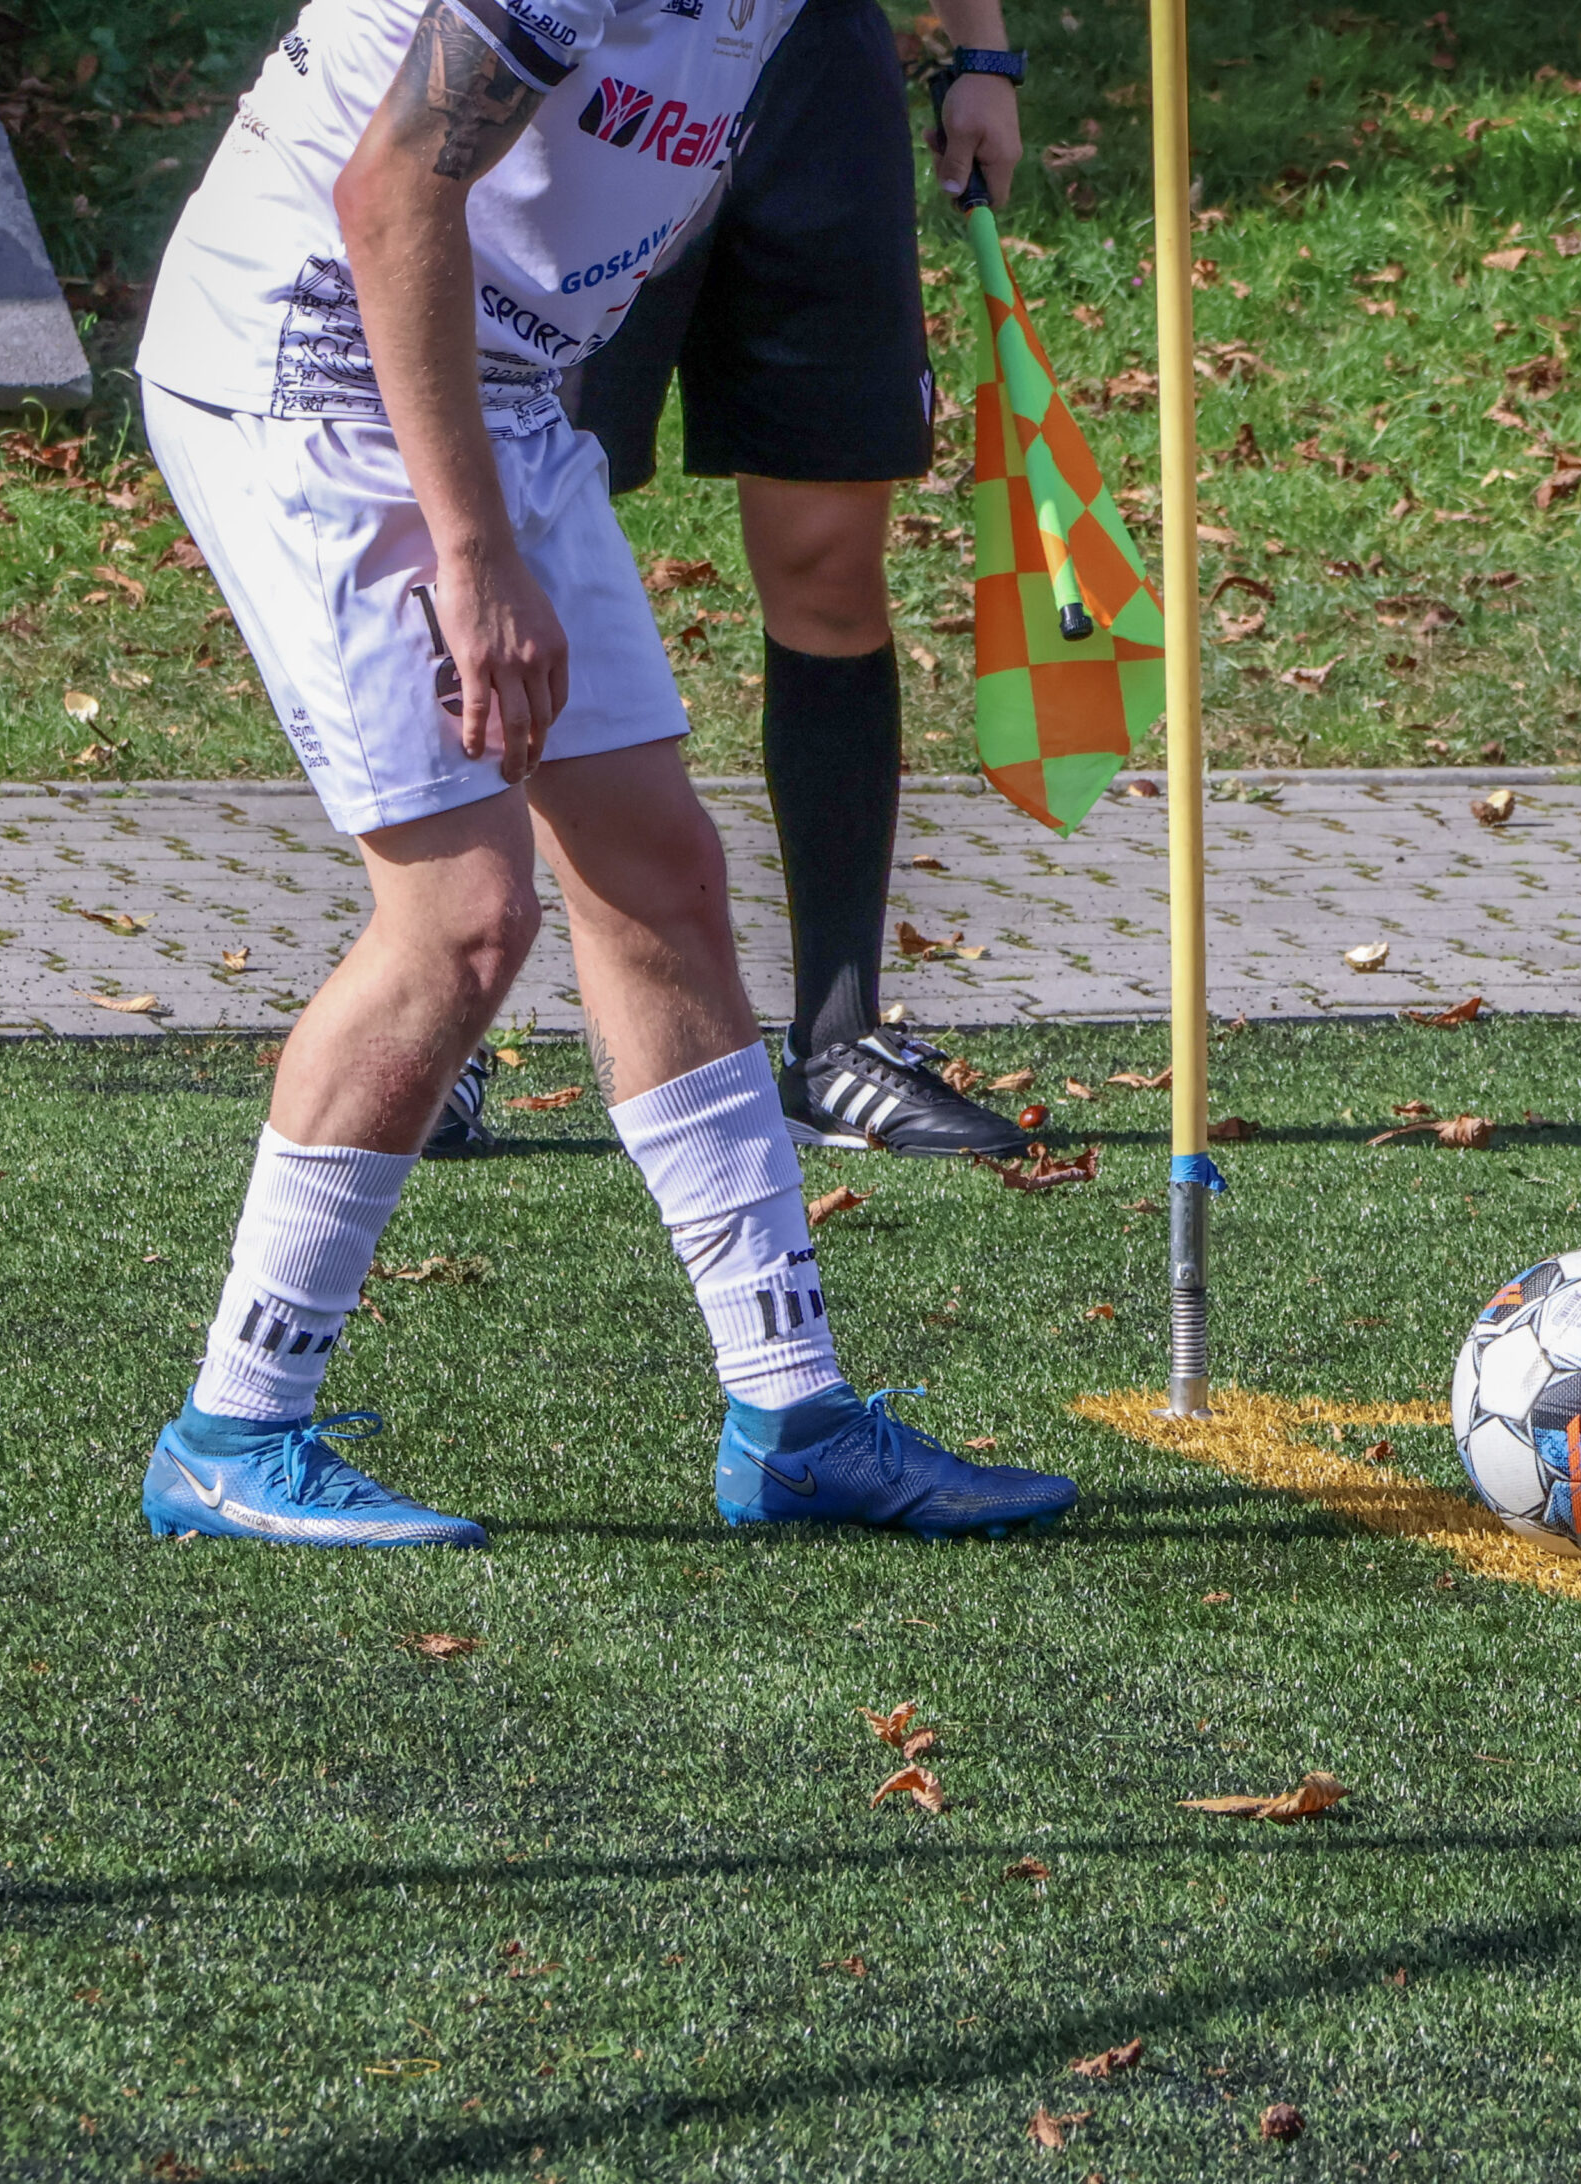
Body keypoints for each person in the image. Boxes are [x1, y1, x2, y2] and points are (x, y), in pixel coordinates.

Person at [127, 0, 1076, 1546]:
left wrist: (984, 62)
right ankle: (232, 1429)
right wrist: (474, 552)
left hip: (497, 386)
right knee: (463, 919)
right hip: (314, 372)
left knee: (662, 881)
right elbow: (390, 191)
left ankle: (794, 1417)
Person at [423, 0, 1032, 1163]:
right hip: (601, 61)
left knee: (829, 560)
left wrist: (983, 52)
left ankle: (839, 1040)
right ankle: (444, 1016)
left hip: (812, 73)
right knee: (516, 520)